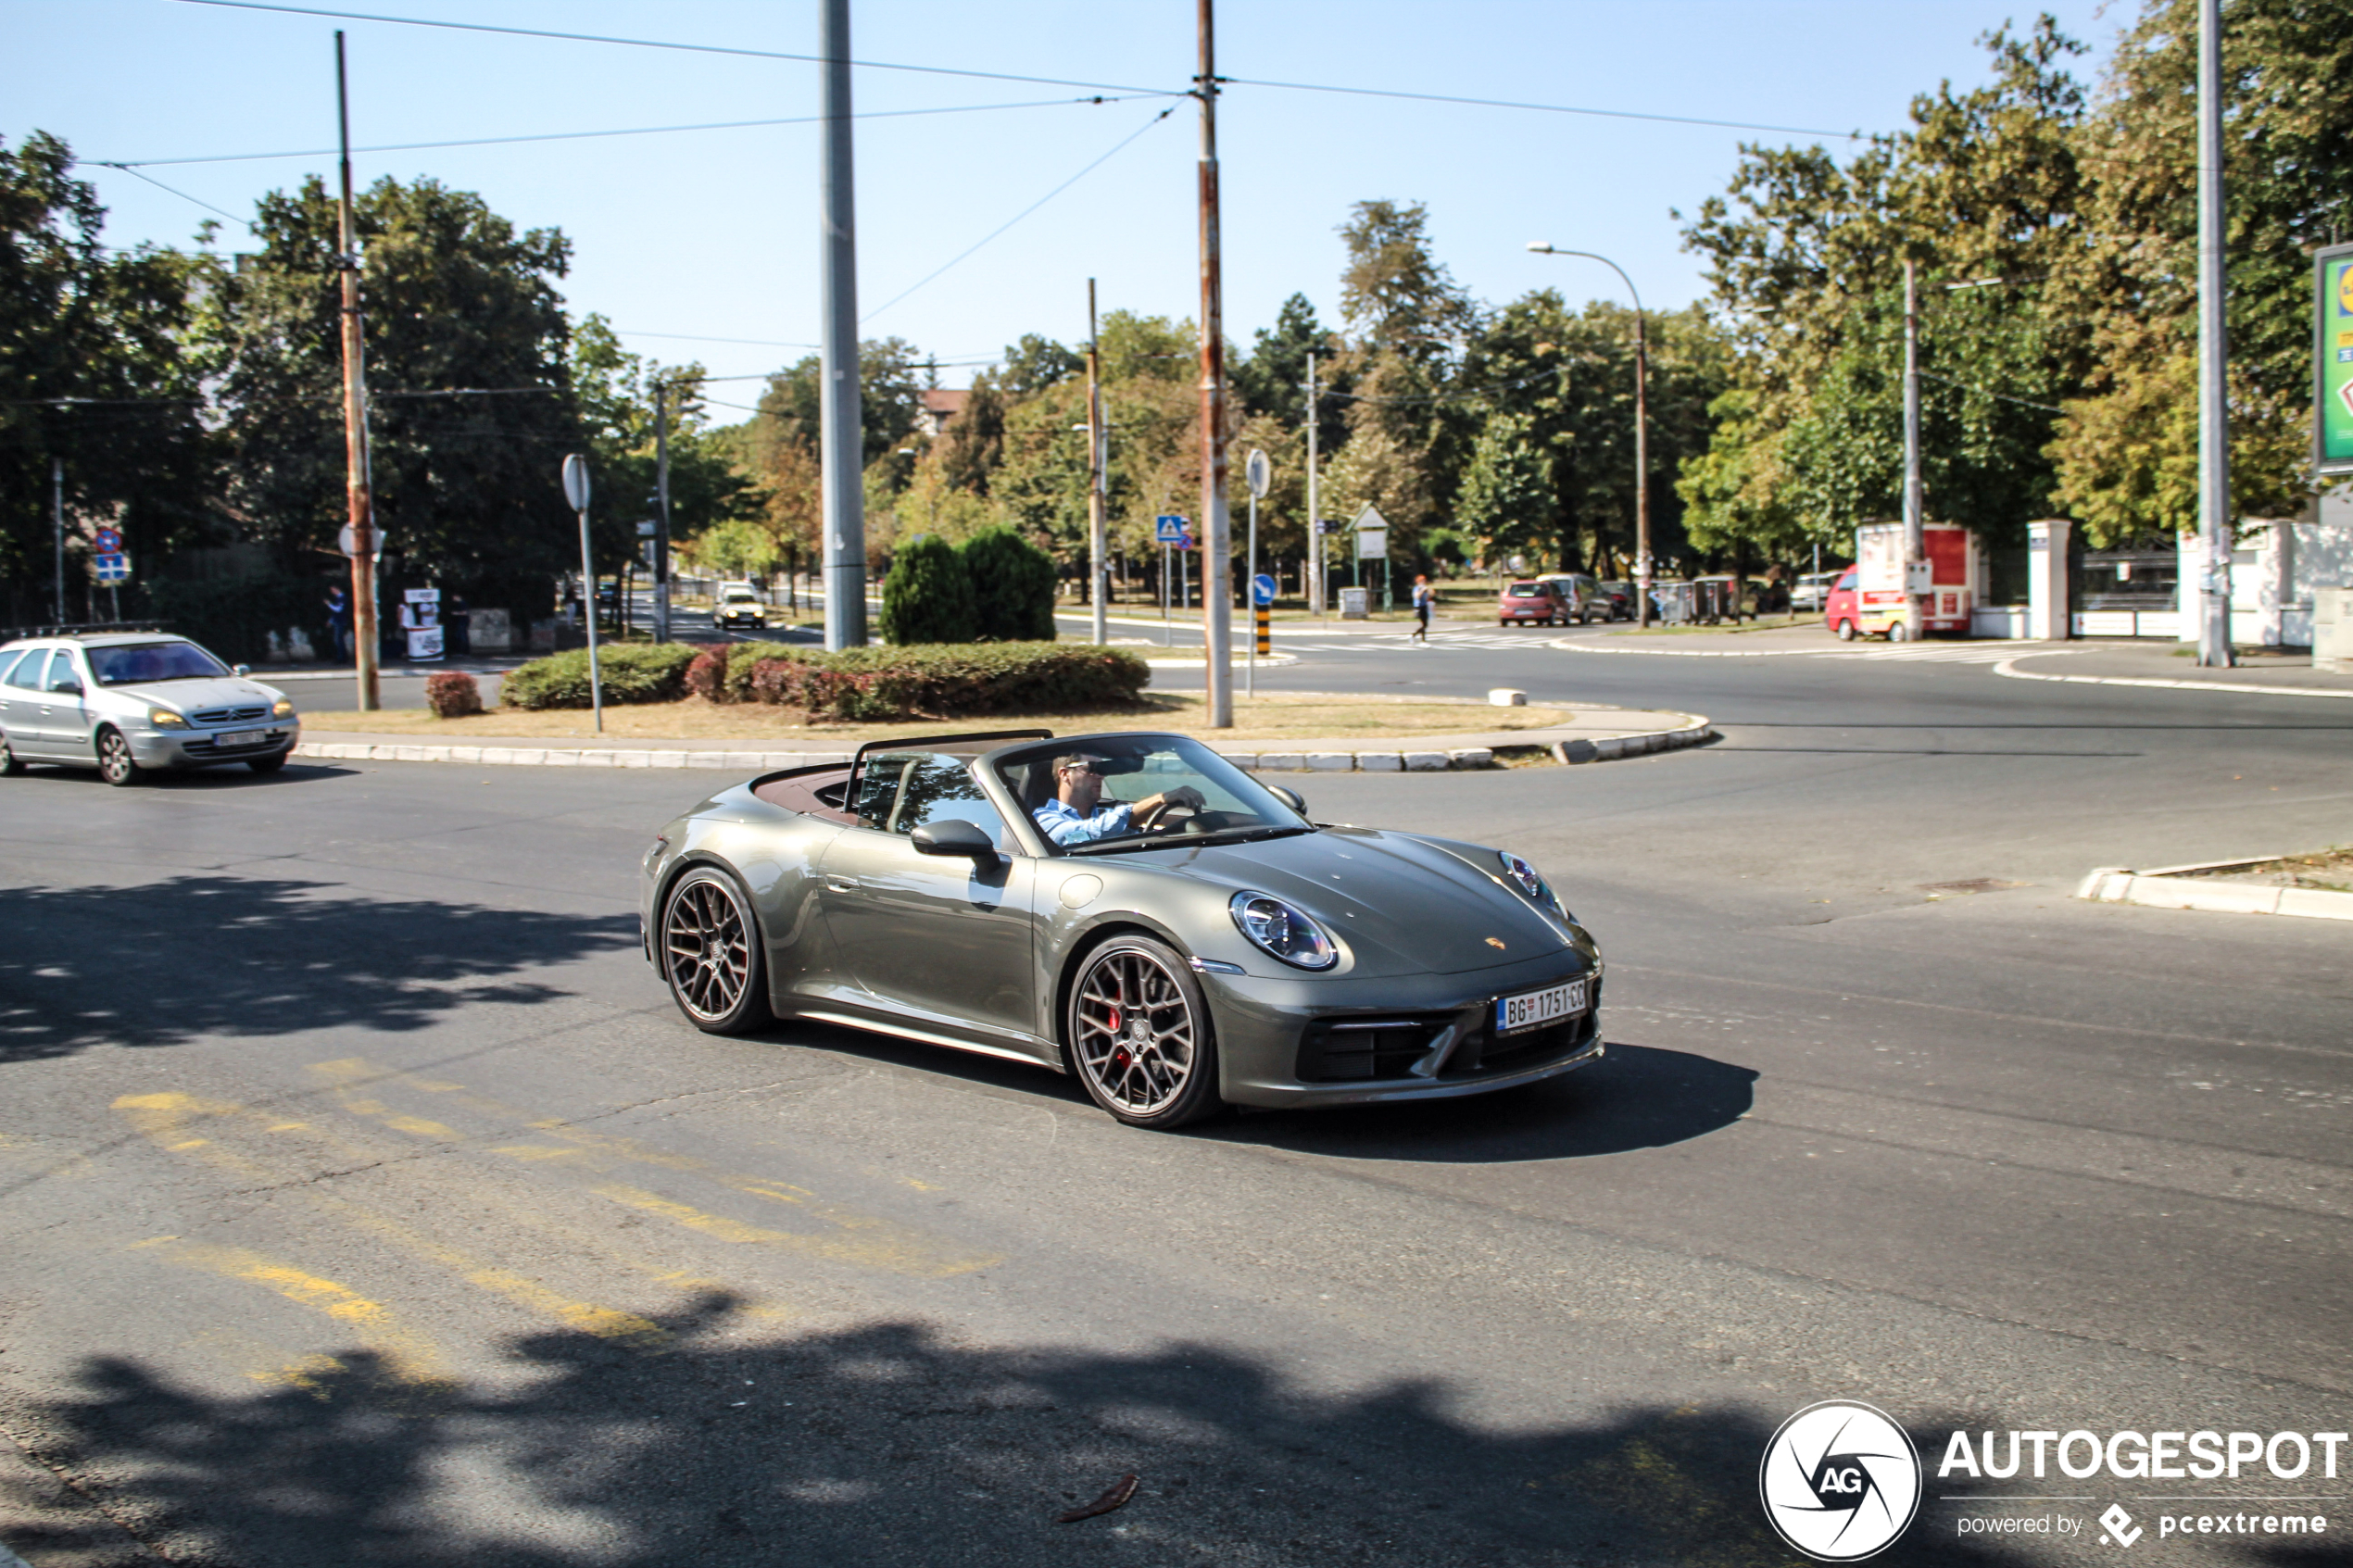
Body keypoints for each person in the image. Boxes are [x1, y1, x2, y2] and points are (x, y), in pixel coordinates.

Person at [1032, 752, 1202, 847]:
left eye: (1103, 769)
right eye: (1092, 769)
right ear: (1065, 774)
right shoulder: (1043, 819)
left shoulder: (1104, 815)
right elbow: (1085, 833)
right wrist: (1160, 799)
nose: (1101, 776)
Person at [322, 583, 350, 663]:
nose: (332, 592)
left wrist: (329, 604)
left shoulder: (342, 598)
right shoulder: (338, 598)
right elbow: (335, 612)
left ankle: (342, 658)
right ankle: (342, 657)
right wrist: (331, 621)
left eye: (333, 590)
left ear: (338, 589)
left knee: (338, 640)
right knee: (338, 640)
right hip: (337, 621)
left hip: (341, 621)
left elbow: (338, 610)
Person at [1410, 573, 1434, 643]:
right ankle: (1417, 637)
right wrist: (1422, 590)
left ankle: (1418, 637)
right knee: (1424, 624)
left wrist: (1429, 590)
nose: (1424, 582)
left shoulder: (1425, 588)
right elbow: (1417, 596)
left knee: (1425, 624)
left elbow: (1431, 595)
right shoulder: (1416, 588)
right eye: (1423, 581)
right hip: (1418, 607)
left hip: (1424, 606)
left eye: (1425, 580)